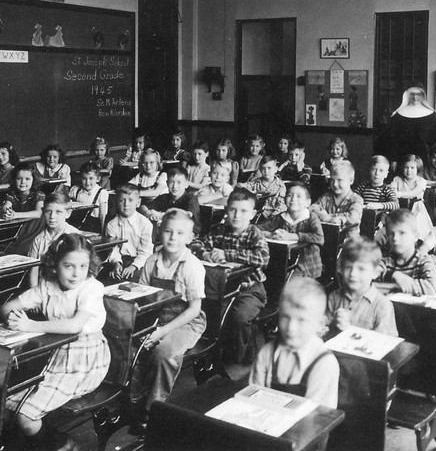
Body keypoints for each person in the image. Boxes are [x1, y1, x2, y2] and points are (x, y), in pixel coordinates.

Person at [1, 234, 110, 451]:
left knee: (25, 414)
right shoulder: (48, 286)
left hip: (85, 359)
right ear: (55, 265)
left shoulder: (92, 288)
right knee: (5, 402)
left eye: (82, 266)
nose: (76, 273)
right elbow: (6, 308)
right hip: (53, 354)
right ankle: (47, 442)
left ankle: (62, 444)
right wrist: (13, 318)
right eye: (68, 265)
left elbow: (74, 326)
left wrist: (30, 325)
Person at [131, 209, 206, 424]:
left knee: (163, 353)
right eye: (168, 231)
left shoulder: (191, 266)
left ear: (190, 238)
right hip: (155, 317)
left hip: (186, 320)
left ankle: (153, 408)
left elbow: (193, 309)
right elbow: (142, 296)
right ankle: (133, 398)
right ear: (160, 233)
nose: (173, 237)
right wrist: (146, 330)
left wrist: (162, 332)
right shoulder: (151, 262)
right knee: (132, 345)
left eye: (180, 233)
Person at [192, 188, 270, 364]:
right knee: (211, 314)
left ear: (252, 214)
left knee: (240, 317)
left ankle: (240, 357)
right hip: (223, 287)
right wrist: (204, 253)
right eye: (233, 210)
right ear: (226, 210)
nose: (237, 215)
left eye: (243, 211)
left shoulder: (254, 233)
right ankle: (212, 355)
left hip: (250, 289)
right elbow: (196, 243)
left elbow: (263, 258)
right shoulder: (220, 230)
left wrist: (228, 255)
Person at [250, 277, 339, 408]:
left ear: (320, 323)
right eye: (285, 317)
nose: (291, 327)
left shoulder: (324, 364)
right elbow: (252, 400)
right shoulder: (267, 353)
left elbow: (317, 419)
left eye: (301, 320)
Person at [326, 237, 397, 336]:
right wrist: (334, 323)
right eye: (348, 267)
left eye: (361, 269)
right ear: (341, 269)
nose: (353, 274)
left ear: (375, 273)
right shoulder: (334, 297)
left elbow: (384, 344)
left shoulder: (382, 305)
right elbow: (322, 333)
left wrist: (350, 331)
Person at [259, 182, 324, 279]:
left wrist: (293, 236)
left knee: (290, 282)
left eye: (298, 196)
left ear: (308, 202)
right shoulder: (281, 217)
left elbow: (319, 238)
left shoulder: (311, 218)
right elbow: (257, 228)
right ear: (285, 200)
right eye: (289, 195)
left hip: (307, 265)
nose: (293, 199)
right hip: (285, 263)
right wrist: (270, 234)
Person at [377, 87, 436, 169]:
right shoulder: (398, 115)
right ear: (407, 95)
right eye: (412, 94)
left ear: (423, 96)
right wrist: (393, 160)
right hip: (402, 158)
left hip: (425, 159)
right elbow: (392, 141)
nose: (415, 97)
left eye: (418, 94)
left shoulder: (432, 116)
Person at [378, 209, 436, 296]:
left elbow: (430, 289)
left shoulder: (424, 260)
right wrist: (393, 274)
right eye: (391, 234)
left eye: (402, 233)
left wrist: (394, 286)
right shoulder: (386, 260)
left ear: (416, 236)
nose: (395, 238)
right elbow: (368, 279)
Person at [103, 184, 153, 282]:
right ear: (117, 202)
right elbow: (113, 249)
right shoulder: (111, 224)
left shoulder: (144, 223)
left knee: (132, 281)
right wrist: (116, 263)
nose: (126, 204)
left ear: (138, 202)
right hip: (120, 260)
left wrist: (134, 266)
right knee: (108, 278)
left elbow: (146, 251)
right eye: (122, 200)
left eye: (131, 200)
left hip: (139, 262)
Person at [28, 193, 79, 287]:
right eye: (48, 211)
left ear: (68, 213)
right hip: (44, 289)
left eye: (58, 212)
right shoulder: (38, 240)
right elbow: (33, 271)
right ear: (43, 212)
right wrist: (34, 294)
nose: (52, 217)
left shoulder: (75, 237)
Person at [139, 167, 201, 237]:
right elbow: (143, 206)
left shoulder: (191, 199)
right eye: (171, 182)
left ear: (186, 184)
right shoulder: (164, 197)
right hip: (169, 233)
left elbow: (188, 215)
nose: (175, 186)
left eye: (179, 182)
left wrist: (160, 215)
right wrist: (147, 213)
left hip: (188, 235)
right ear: (167, 183)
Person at [310, 160, 364, 239]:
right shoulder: (326, 197)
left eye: (339, 180)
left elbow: (353, 218)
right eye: (332, 180)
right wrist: (327, 218)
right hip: (328, 239)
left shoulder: (356, 199)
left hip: (349, 243)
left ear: (351, 181)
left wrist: (331, 218)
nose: (335, 184)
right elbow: (312, 208)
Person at [391, 154, 433, 238]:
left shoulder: (421, 181)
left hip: (416, 207)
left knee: (418, 225)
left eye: (412, 168)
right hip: (400, 206)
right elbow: (392, 192)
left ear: (418, 169)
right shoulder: (397, 179)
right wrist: (393, 190)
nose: (409, 170)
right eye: (406, 167)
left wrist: (399, 194)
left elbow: (415, 192)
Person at [239, 155, 287, 221]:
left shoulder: (280, 186)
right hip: (255, 214)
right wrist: (241, 186)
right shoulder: (256, 182)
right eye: (263, 168)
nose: (266, 171)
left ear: (275, 169)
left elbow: (281, 206)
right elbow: (246, 185)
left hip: (272, 215)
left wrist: (272, 218)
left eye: (269, 168)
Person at [68, 162, 109, 233]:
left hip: (93, 226)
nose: (87, 182)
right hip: (76, 224)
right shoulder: (75, 189)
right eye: (84, 178)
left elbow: (102, 215)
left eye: (91, 178)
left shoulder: (102, 193)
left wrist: (102, 232)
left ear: (98, 179)